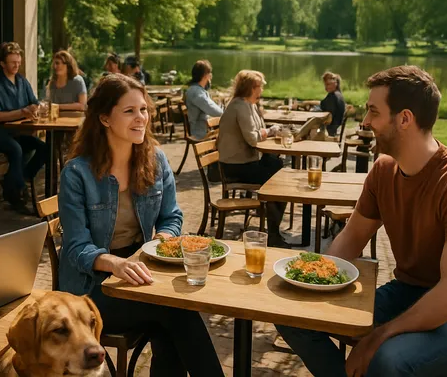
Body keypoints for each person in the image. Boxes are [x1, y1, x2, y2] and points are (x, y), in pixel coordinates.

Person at [276, 65, 447, 377]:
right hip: (409, 292)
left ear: (404, 119)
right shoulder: (384, 171)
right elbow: (352, 238)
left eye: (373, 111)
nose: (365, 121)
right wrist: (307, 281)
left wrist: (378, 336)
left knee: (386, 360)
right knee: (293, 315)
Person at [58, 74, 224, 377]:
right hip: (88, 292)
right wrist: (115, 264)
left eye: (143, 109)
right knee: (176, 311)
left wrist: (161, 239)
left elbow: (171, 216)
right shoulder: (76, 173)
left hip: (140, 274)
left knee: (174, 313)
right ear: (105, 118)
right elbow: (75, 247)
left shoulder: (155, 160)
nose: (141, 118)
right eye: (130, 111)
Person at [216, 70, 288, 248]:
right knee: (278, 179)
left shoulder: (249, 105)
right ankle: (272, 233)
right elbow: (253, 138)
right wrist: (270, 131)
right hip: (234, 167)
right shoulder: (239, 106)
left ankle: (273, 230)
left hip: (244, 161)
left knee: (277, 166)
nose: (261, 90)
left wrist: (268, 130)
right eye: (259, 86)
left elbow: (260, 131)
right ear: (249, 88)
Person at [0, 42, 50, 211]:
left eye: (18, 62)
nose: (16, 66)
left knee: (45, 148)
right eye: (12, 62)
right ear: (2, 63)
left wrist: (38, 107)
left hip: (16, 132)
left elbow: (34, 102)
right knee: (16, 149)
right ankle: (18, 197)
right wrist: (22, 112)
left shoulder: (22, 80)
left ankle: (18, 180)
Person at [185, 60, 223, 140]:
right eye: (210, 73)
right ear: (205, 75)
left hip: (205, 130)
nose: (211, 76)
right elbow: (217, 112)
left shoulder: (197, 90)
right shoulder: (197, 92)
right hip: (201, 134)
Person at [319, 71, 346, 136]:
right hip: (335, 125)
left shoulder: (333, 96)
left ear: (335, 83)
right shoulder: (338, 94)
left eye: (328, 84)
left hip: (331, 128)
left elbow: (329, 115)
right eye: (325, 84)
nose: (326, 87)